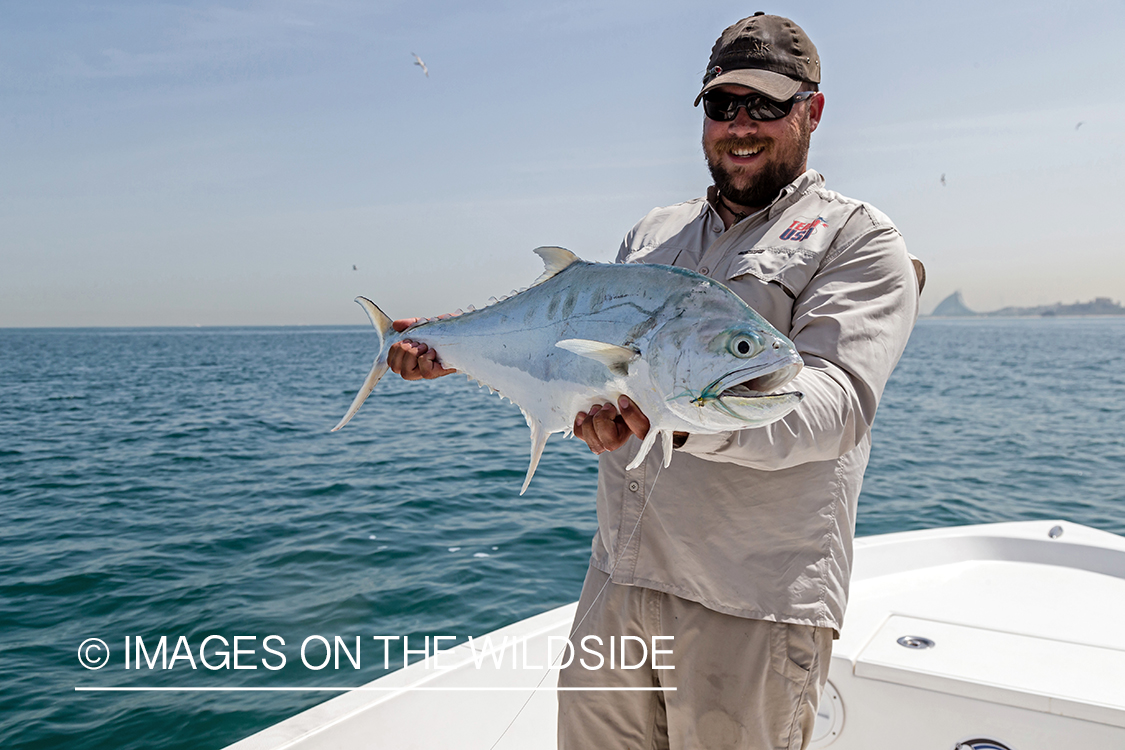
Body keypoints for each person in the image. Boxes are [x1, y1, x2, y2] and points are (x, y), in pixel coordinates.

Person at [388, 12, 923, 750]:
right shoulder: (650, 237)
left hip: (751, 604)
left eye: (766, 105)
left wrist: (671, 415)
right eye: (721, 104)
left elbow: (832, 407)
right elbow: (588, 371)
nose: (741, 124)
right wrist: (465, 349)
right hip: (620, 581)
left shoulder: (856, 240)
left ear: (812, 111)